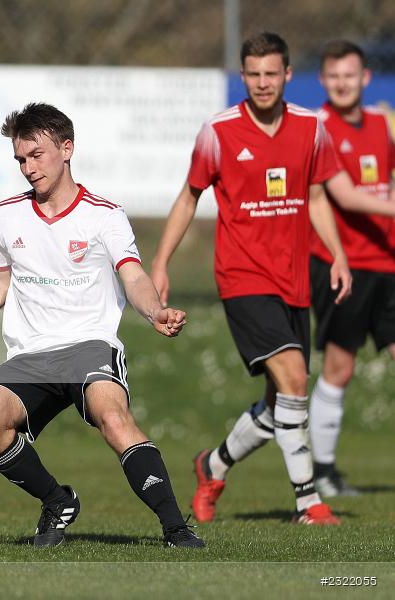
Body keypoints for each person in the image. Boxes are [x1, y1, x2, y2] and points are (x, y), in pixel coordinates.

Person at [151, 32, 395, 526]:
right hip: (242, 277)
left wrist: (339, 254)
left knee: (280, 399)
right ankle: (309, 502)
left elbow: (318, 197)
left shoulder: (310, 127)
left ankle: (212, 465)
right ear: (243, 76)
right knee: (295, 378)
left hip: (295, 280)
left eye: (271, 73)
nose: (262, 83)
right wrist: (160, 263)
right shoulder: (218, 131)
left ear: (287, 75)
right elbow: (188, 197)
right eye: (253, 74)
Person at [0, 102, 204, 549]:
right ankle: (57, 500)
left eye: (37, 155)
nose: (29, 168)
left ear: (66, 149)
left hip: (89, 345)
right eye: (21, 159)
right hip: (31, 354)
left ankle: (176, 529)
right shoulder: (7, 214)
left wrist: (155, 312)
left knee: (114, 419)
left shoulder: (104, 214)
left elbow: (134, 277)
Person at [308, 40, 395, 497]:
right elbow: (343, 195)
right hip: (342, 265)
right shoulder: (319, 128)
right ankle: (322, 471)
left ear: (365, 78)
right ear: (323, 80)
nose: (342, 83)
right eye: (334, 76)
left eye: (350, 75)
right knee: (340, 368)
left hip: (388, 261)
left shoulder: (382, 122)